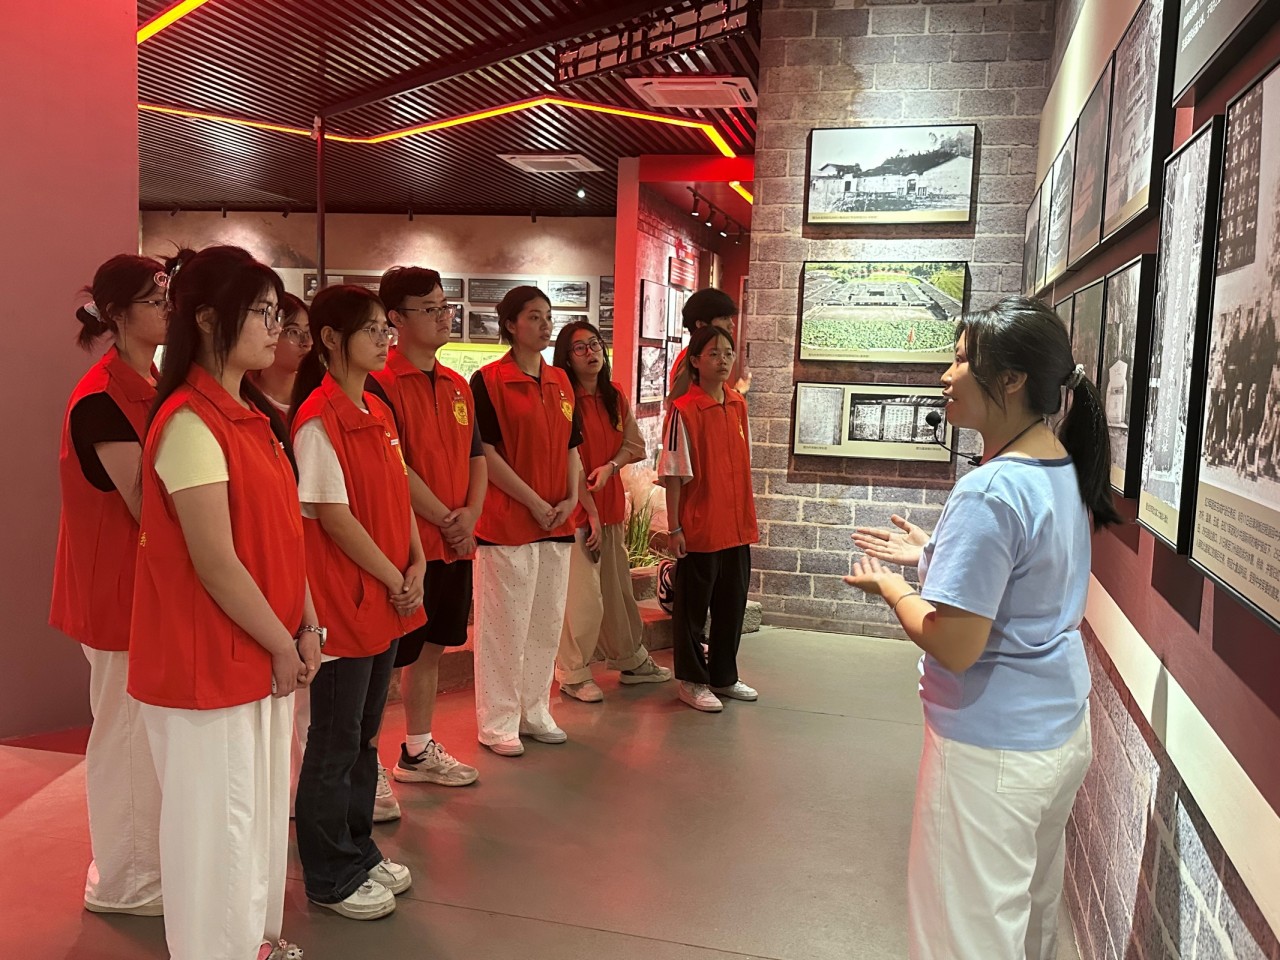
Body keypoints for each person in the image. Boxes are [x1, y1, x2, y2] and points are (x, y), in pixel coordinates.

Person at [846, 297, 1121, 960]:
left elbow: (955, 642)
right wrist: (937, 552)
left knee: (965, 937)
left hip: (991, 749)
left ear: (1012, 379)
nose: (946, 375)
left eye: (963, 360)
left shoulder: (990, 489)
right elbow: (1023, 578)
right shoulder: (1057, 462)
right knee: (1028, 918)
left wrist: (895, 589)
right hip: (1057, 730)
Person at [128, 245, 320, 960]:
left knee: (256, 816)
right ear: (208, 319)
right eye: (262, 312)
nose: (277, 328)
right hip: (207, 661)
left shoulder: (252, 417)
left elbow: (283, 536)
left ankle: (253, 943)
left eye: (278, 312)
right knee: (217, 831)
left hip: (259, 650)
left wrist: (306, 624)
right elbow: (214, 560)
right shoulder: (188, 421)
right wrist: (281, 641)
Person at [289, 285, 425, 921]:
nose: (382, 339)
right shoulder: (318, 419)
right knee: (335, 741)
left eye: (383, 329)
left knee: (366, 737)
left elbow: (399, 494)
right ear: (330, 339)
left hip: (387, 596)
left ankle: (358, 847)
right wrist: (395, 574)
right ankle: (328, 872)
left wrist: (416, 561)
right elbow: (333, 517)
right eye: (371, 329)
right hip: (346, 604)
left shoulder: (376, 408)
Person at [51, 254, 167, 919]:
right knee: (124, 737)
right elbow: (146, 503)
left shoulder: (147, 382)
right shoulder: (100, 398)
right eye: (155, 299)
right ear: (118, 313)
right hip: (116, 591)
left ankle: (143, 867)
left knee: (142, 737)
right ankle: (124, 882)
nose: (168, 309)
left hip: (144, 589)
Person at [372, 266, 484, 802]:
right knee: (385, 660)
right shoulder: (379, 383)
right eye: (430, 308)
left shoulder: (457, 383)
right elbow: (395, 466)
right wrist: (446, 518)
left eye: (445, 307)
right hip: (406, 547)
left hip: (453, 546)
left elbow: (477, 456)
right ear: (395, 318)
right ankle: (365, 762)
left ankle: (417, 749)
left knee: (433, 649)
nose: (444, 317)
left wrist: (470, 517)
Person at [469, 286, 582, 756]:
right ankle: (498, 722)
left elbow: (573, 446)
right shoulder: (488, 381)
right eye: (534, 316)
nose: (544, 324)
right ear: (511, 325)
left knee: (545, 624)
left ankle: (535, 710)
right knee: (503, 629)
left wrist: (572, 497)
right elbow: (485, 454)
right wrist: (534, 501)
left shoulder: (561, 381)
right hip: (508, 523)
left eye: (548, 316)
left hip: (556, 524)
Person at [551, 321, 672, 702]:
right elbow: (564, 460)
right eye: (580, 348)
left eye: (594, 344)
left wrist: (611, 466)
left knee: (618, 592)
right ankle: (572, 673)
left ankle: (630, 659)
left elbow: (633, 444)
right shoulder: (561, 399)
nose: (591, 353)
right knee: (583, 599)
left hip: (611, 509)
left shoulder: (613, 394)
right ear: (566, 358)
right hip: (577, 513)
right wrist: (588, 509)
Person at [658, 325, 759, 712]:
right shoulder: (684, 410)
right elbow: (673, 473)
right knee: (692, 609)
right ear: (696, 361)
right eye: (713, 353)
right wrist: (675, 528)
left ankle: (723, 676)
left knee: (732, 605)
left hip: (737, 525)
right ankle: (691, 680)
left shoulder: (737, 405)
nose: (722, 361)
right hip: (700, 526)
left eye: (728, 353)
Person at [667, 287, 750, 402]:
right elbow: (678, 403)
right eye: (724, 318)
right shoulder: (691, 358)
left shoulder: (693, 352)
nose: (731, 325)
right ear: (701, 324)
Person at [249, 293, 310, 416]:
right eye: (294, 332)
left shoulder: (314, 393)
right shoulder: (247, 396)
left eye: (309, 332)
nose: (306, 343)